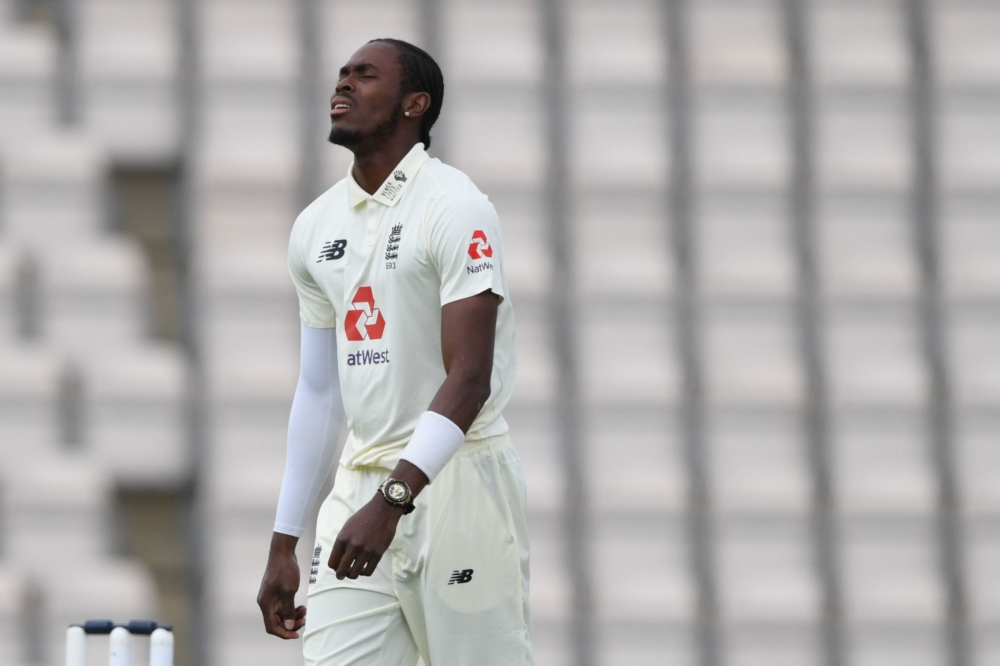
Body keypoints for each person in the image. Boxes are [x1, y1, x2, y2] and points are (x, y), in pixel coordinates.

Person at [256, 38, 532, 666]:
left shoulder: (456, 206)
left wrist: (395, 501)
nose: (344, 84)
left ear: (415, 103)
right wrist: (283, 541)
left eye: (365, 75)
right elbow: (322, 392)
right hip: (361, 493)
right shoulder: (315, 226)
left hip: (458, 486)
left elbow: (470, 378)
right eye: (342, 74)